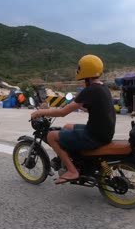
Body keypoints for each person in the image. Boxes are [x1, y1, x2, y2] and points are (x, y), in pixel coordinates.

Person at [31, 55, 116, 184]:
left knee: (51, 136)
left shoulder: (90, 90)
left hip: (94, 136)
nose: (78, 70)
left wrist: (40, 112)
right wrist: (78, 105)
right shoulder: (102, 87)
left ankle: (72, 170)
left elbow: (62, 112)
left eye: (80, 68)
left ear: (86, 70)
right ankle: (76, 159)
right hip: (104, 132)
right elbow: (92, 108)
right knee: (67, 127)